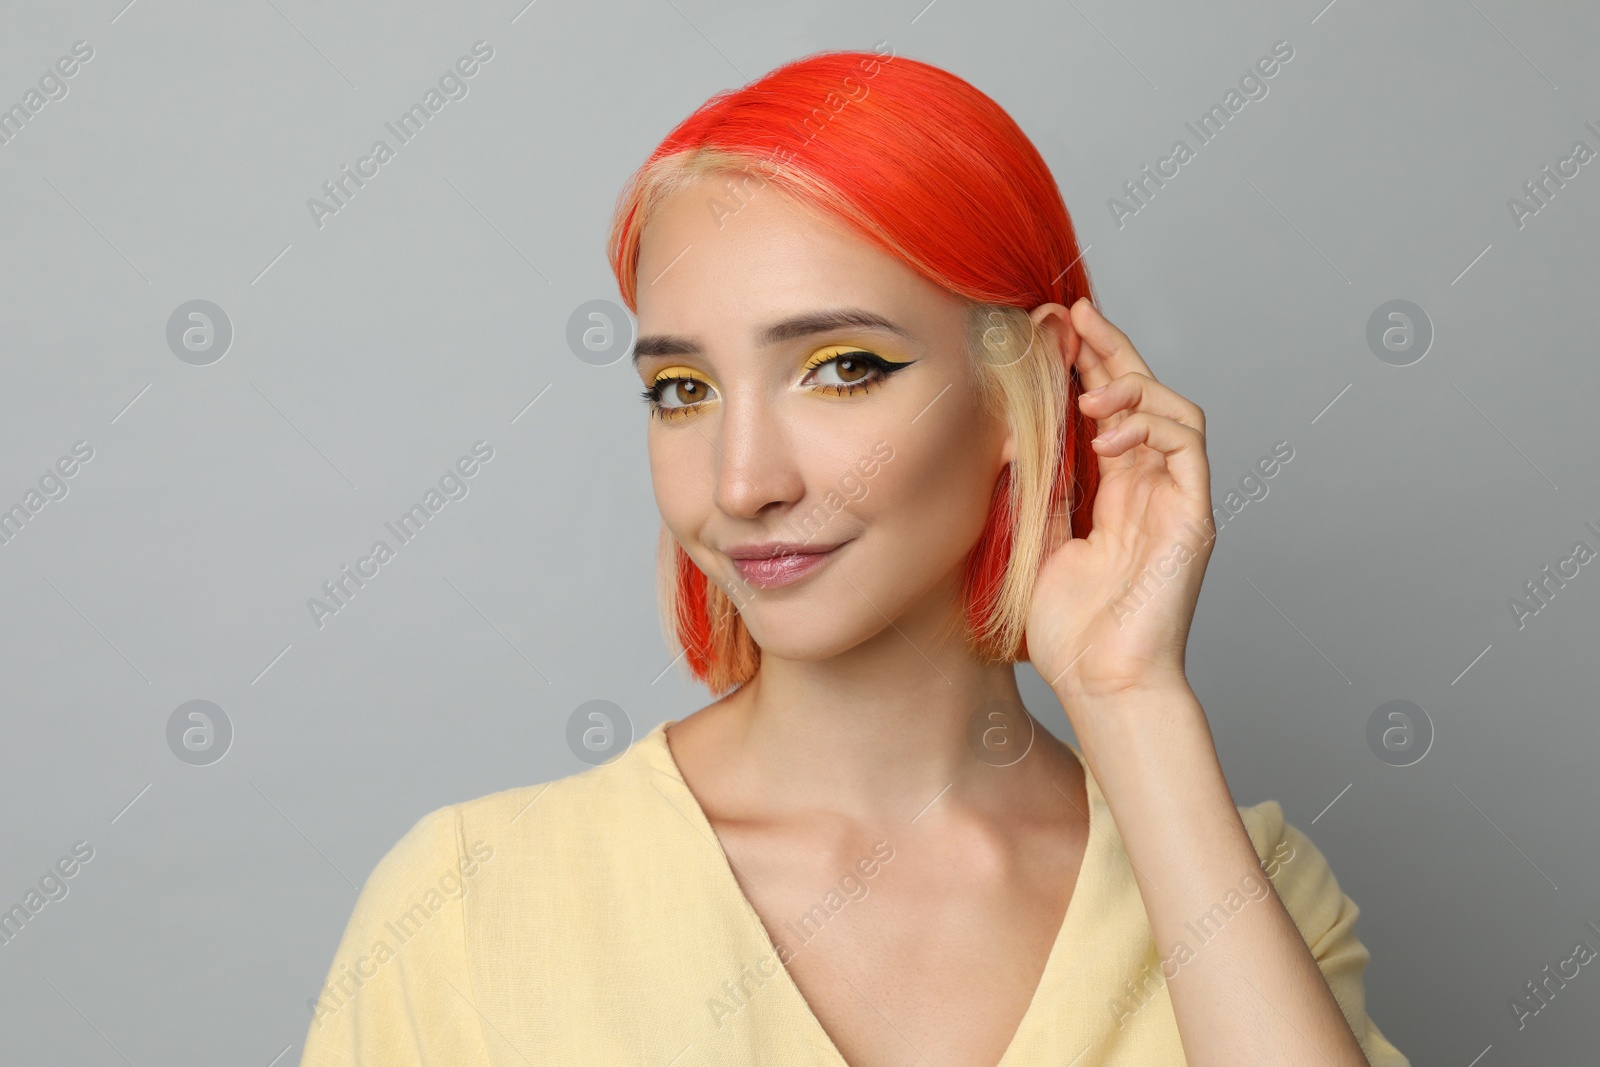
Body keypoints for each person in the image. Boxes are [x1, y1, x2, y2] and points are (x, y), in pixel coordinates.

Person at [298, 47, 1409, 1066]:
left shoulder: (1246, 890)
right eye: (680, 391)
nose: (741, 482)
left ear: (1026, 387)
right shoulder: (462, 908)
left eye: (840, 368)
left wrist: (1131, 698)